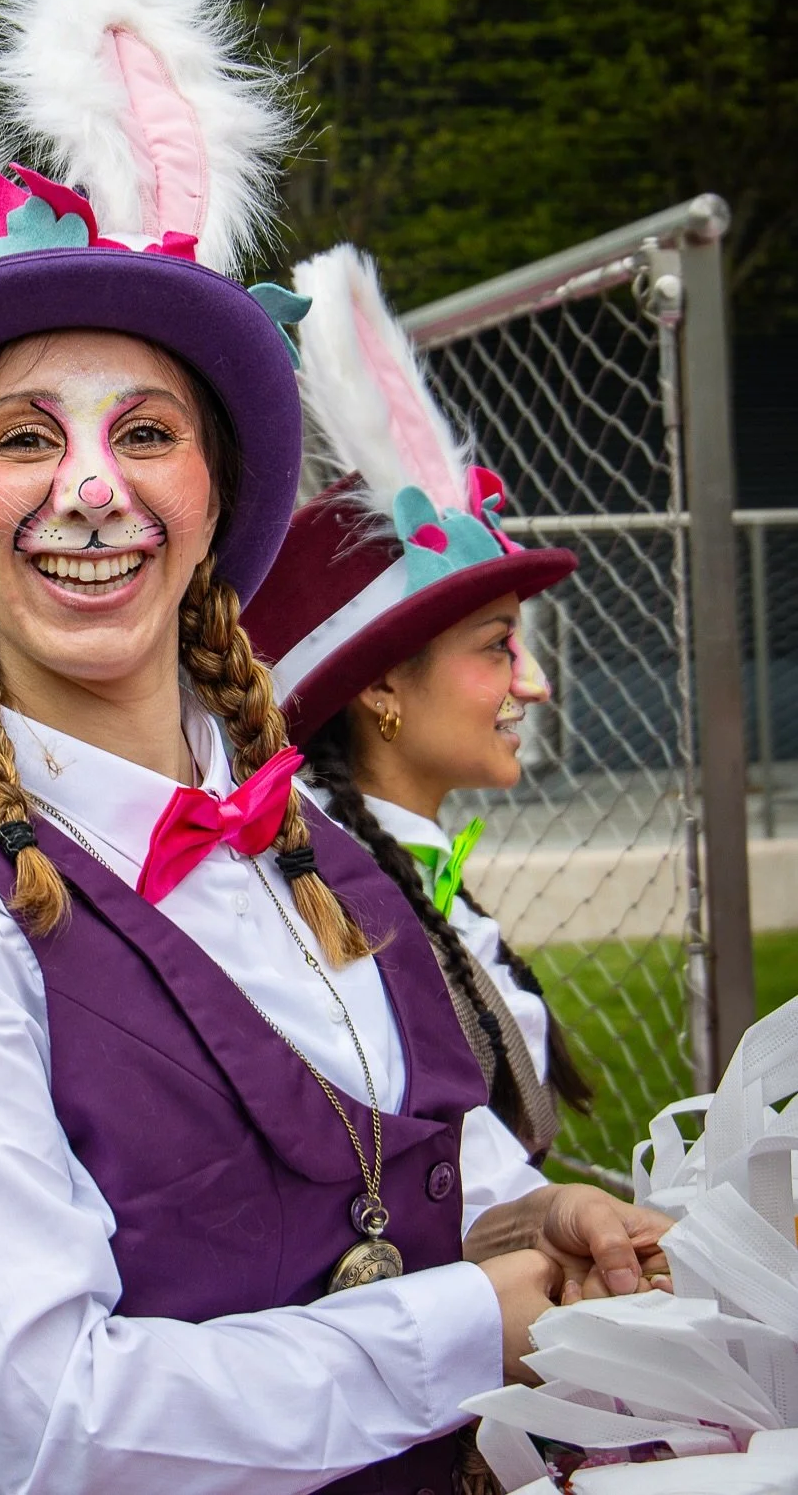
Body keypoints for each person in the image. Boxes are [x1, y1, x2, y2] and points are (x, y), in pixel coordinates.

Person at [0, 0, 671, 1495]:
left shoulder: (315, 836)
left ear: (214, 496)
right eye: (21, 436)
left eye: (147, 430)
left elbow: (419, 1153)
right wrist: (459, 1328)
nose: (92, 488)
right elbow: (49, 1420)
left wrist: (524, 1210)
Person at [243, 244, 594, 1160]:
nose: (534, 683)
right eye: (496, 647)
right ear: (381, 685)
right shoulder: (329, 904)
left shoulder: (383, 861)